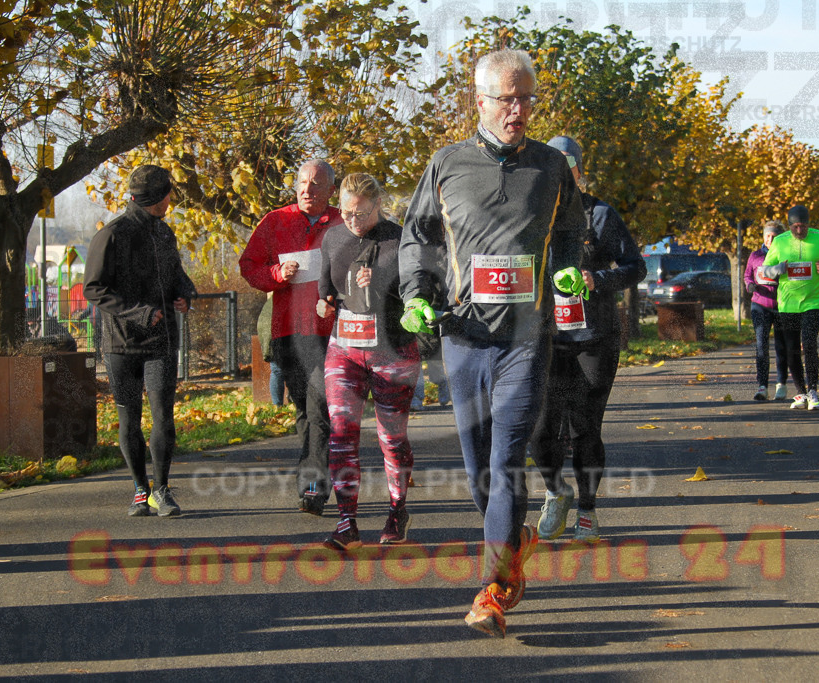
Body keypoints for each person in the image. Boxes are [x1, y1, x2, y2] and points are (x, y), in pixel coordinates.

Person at [399, 49, 586, 638]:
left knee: (506, 460)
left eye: (526, 98)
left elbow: (573, 234)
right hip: (463, 336)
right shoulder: (447, 163)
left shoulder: (553, 167)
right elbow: (418, 237)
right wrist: (415, 293)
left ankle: (495, 588)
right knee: (480, 468)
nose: (518, 110)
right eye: (506, 98)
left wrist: (566, 268)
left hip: (527, 339)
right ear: (478, 100)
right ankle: (515, 541)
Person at [528, 135, 646, 545]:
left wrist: (598, 279)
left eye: (567, 166)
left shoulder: (601, 215)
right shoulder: (532, 214)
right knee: (540, 430)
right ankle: (555, 491)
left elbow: (636, 267)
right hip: (544, 336)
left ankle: (589, 511)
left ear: (578, 170)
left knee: (584, 427)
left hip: (593, 337)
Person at [84, 164, 197, 517]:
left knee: (163, 415)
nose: (170, 200)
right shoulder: (112, 235)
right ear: (159, 198)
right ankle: (138, 489)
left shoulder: (164, 233)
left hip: (161, 341)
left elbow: (176, 273)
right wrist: (139, 312)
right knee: (129, 417)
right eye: (168, 194)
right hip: (121, 344)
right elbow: (93, 288)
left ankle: (161, 491)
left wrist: (184, 294)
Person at [316, 173, 421, 549]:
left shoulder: (400, 239)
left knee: (391, 438)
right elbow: (326, 291)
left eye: (361, 214)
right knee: (342, 432)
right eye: (346, 213)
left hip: (393, 348)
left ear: (378, 205)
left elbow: (419, 291)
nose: (353, 222)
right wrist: (324, 303)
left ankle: (397, 509)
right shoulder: (333, 236)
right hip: (344, 346)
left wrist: (379, 283)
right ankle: (347, 522)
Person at [240, 160, 341, 516]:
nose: (306, 189)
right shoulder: (275, 221)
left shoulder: (343, 223)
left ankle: (313, 487)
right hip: (288, 331)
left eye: (315, 184)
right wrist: (276, 272)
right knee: (305, 411)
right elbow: (248, 266)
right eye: (301, 182)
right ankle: (312, 480)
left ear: (331, 189)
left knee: (320, 409)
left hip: (330, 334)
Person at [760, 205, 819, 411]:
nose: (799, 231)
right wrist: (779, 269)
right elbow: (765, 270)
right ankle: (801, 393)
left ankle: (813, 390)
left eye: (803, 226)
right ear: (789, 226)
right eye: (795, 227)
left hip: (814, 300)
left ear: (808, 224)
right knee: (791, 350)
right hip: (788, 303)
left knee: (809, 343)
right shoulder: (779, 242)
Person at [744, 221, 789, 402]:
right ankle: (762, 386)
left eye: (774, 236)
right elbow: (748, 275)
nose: (770, 240)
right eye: (767, 236)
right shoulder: (755, 255)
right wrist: (750, 285)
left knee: (781, 347)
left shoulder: (786, 256)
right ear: (763, 237)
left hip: (782, 306)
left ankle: (781, 384)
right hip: (760, 305)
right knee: (761, 346)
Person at [257, 293, 286, 406]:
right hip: (274, 331)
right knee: (279, 369)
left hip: (269, 331)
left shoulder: (274, 297)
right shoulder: (290, 296)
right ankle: (279, 404)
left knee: (277, 370)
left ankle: (277, 405)